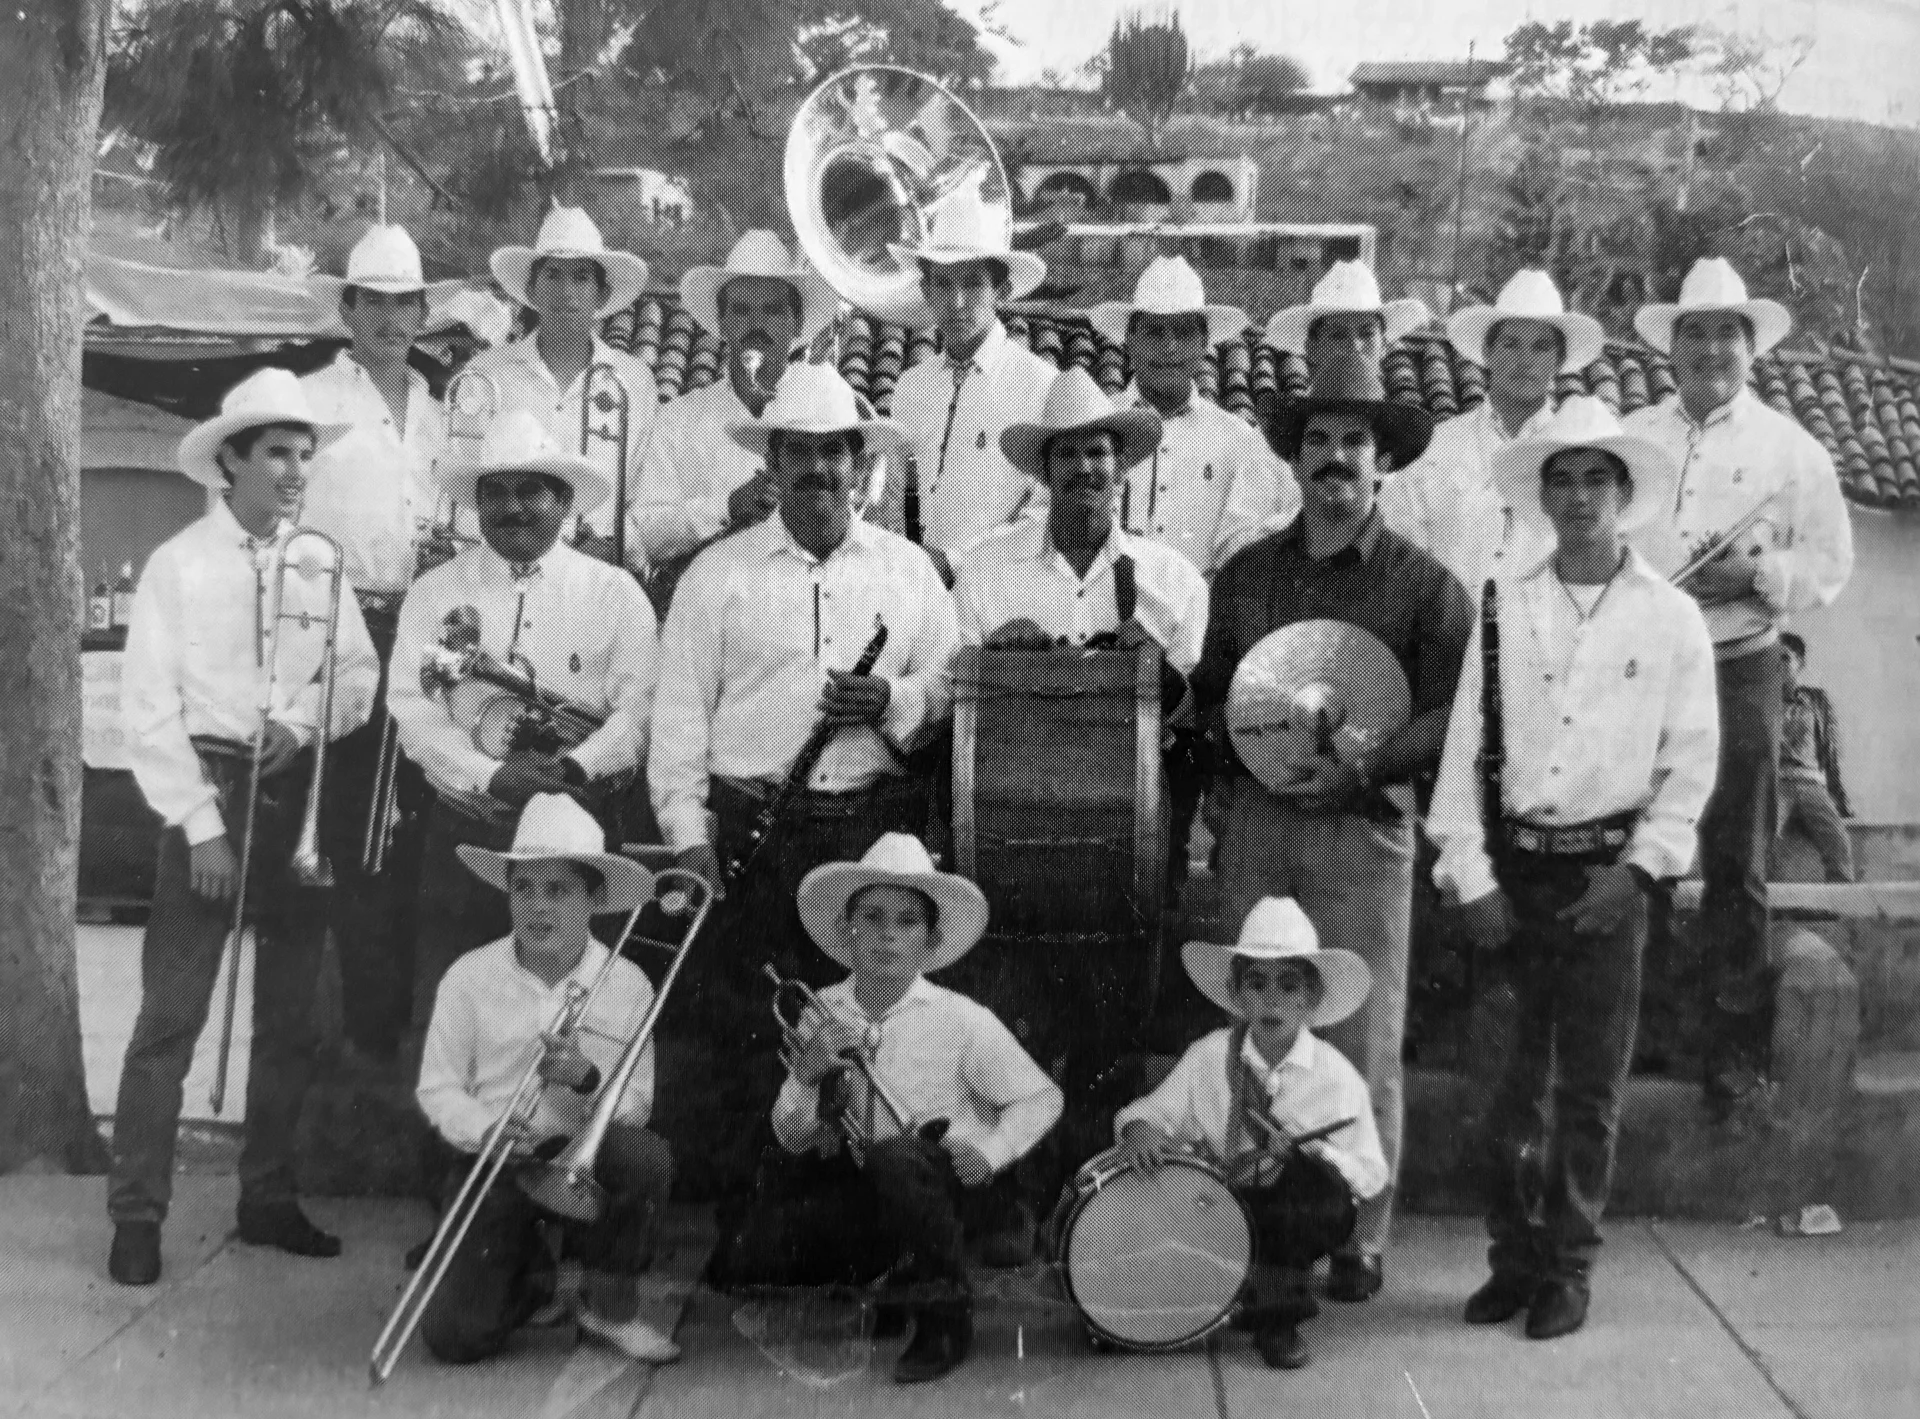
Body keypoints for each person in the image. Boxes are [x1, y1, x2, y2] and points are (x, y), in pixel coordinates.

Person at [1428, 396, 1720, 1339]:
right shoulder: (1504, 604)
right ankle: (1512, 1257)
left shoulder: (1670, 617)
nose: (1581, 495)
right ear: (1543, 495)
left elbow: (1690, 764)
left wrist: (1636, 874)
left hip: (1607, 876)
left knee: (1589, 1089)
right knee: (1500, 1086)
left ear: (1624, 493)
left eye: (1598, 478)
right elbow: (1466, 748)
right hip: (1514, 873)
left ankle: (1569, 1267)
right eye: (1563, 478)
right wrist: (1470, 874)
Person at [1191, 349, 1472, 1305]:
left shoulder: (1426, 586)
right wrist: (1239, 759)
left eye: (1356, 439)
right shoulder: (1244, 575)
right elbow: (1214, 689)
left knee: (1361, 1029)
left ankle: (1359, 1231)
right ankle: (1250, 1213)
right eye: (1319, 439)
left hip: (1364, 829)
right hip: (1260, 822)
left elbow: (1447, 713)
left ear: (1384, 459)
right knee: (1251, 1022)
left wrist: (1364, 767)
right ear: (1295, 456)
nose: (1336, 456)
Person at [650, 364, 960, 1200]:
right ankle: (753, 1221)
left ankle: (849, 1215)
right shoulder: (716, 573)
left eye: (835, 452)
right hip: (754, 830)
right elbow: (678, 716)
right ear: (772, 463)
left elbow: (946, 688)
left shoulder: (909, 570)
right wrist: (687, 835)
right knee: (754, 1028)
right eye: (799, 452)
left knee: (862, 1025)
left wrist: (891, 699)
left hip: (867, 832)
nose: (818, 469)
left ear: (860, 464)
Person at [108, 369, 381, 1286]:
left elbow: (357, 676)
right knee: (170, 1020)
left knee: (290, 1020)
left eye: (305, 455)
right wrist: (201, 828)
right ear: (232, 460)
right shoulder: (179, 563)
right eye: (278, 454)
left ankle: (266, 1197)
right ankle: (137, 1212)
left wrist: (301, 724)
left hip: (294, 791)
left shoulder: (321, 562)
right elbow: (147, 709)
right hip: (209, 792)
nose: (297, 471)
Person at [951, 367, 1206, 1162]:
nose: (1086, 468)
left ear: (1121, 463)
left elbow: (1192, 722)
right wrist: (996, 659)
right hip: (1012, 853)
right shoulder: (987, 570)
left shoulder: (1172, 580)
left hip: (1127, 854)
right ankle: (1012, 1191)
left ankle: (1096, 1197)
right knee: (1014, 1039)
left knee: (1112, 1040)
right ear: (1044, 468)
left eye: (1099, 452)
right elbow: (953, 699)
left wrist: (1157, 668)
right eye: (1068, 453)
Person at [1624, 256, 1854, 1109]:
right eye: (1696, 331)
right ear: (1672, 344)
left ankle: (1729, 1054)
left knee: (1736, 858)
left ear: (1751, 347)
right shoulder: (1632, 436)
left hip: (1741, 665)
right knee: (1637, 846)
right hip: (1645, 665)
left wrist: (1756, 577)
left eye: (1728, 332)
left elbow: (1831, 561)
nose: (1712, 348)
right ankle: (1638, 1037)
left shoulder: (1791, 450)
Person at [714, 834, 1063, 1385]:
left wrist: (991, 1150)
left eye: (906, 922)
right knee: (743, 1263)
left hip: (943, 1186)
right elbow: (791, 1139)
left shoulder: (960, 1017)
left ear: (929, 939)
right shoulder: (822, 1008)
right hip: (860, 1183)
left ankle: (946, 1317)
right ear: (847, 929)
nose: (887, 936)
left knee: (898, 1158)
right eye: (872, 918)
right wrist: (806, 1081)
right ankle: (893, 1279)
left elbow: (1043, 1097)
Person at [388, 412, 660, 1029]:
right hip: (467, 829)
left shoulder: (615, 592)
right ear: (476, 504)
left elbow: (639, 711)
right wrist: (490, 775)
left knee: (576, 1016)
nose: (511, 508)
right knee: (449, 1008)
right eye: (495, 492)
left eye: (529, 490)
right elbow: (412, 710)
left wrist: (573, 765)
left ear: (563, 501)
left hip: (577, 836)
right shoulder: (434, 591)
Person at [415, 794, 680, 1365]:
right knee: (454, 1338)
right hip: (496, 1159)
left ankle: (608, 1308)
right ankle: (534, 1274)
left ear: (594, 900)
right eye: (524, 889)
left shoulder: (627, 982)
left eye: (557, 891)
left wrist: (587, 1080)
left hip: (585, 1157)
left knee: (645, 1159)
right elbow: (437, 1087)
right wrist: (486, 1129)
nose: (538, 909)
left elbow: (637, 1105)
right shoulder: (468, 976)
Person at [301, 223, 456, 1062]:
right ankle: (358, 1032)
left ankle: (398, 1030)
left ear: (424, 312)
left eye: (406, 303)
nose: (393, 319)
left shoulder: (442, 414)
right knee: (351, 831)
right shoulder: (309, 400)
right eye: (376, 302)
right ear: (348, 309)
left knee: (411, 833)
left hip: (426, 632)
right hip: (341, 630)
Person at [1112, 897, 1386, 1370]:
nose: (1271, 1000)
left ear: (1310, 998)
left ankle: (1278, 1318)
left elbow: (1370, 1174)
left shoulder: (1338, 1077)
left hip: (1295, 1216)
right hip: (1223, 1205)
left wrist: (1311, 1154)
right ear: (1237, 994)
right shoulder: (1210, 1056)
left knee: (1308, 1194)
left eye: (1288, 985)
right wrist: (1140, 1131)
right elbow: (1153, 1112)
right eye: (1256, 984)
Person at [631, 230, 838, 612]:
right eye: (741, 310)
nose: (755, 324)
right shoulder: (678, 419)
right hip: (705, 615)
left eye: (772, 310)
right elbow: (646, 532)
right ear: (722, 323)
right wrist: (726, 508)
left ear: (796, 323)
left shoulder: (829, 416)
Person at [1380, 269, 1606, 591]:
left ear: (1559, 361)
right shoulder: (1437, 446)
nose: (1525, 361)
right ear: (1487, 352)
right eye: (1511, 344)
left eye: (1541, 347)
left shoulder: (1578, 457)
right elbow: (1397, 557)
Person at [883, 184, 1058, 580]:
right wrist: (906, 561)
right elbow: (896, 496)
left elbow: (1045, 509)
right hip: (915, 590)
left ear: (1002, 291)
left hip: (1001, 591)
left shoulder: (1041, 385)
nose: (957, 302)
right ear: (926, 290)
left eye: (973, 283)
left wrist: (955, 561)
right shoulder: (910, 387)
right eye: (943, 283)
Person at [466, 206, 657, 566]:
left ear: (602, 295)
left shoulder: (634, 382)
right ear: (532, 290)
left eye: (582, 277)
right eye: (553, 275)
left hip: (597, 574)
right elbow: (466, 489)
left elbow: (645, 495)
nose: (566, 292)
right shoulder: (486, 374)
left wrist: (617, 545)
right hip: (501, 570)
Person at [1086, 254, 1298, 576]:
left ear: (1204, 345)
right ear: (1129, 341)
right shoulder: (1091, 426)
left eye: (1183, 333)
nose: (1169, 347)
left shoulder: (1240, 441)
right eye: (1154, 332)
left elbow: (1254, 548)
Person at [1775, 632, 1855, 883]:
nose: (1777, 665)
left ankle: (1840, 899)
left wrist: (1838, 793)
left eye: (1785, 658)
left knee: (1839, 843)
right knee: (1760, 841)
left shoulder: (1816, 700)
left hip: (1812, 785)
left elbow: (1832, 749)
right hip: (1776, 784)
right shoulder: (1763, 701)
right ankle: (1757, 901)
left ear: (1800, 663)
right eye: (1772, 659)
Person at [1263, 259, 1431, 377]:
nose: (1355, 347)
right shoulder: (1291, 416)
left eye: (1367, 334)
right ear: (1312, 348)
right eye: (1338, 335)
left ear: (1384, 346)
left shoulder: (1400, 418)